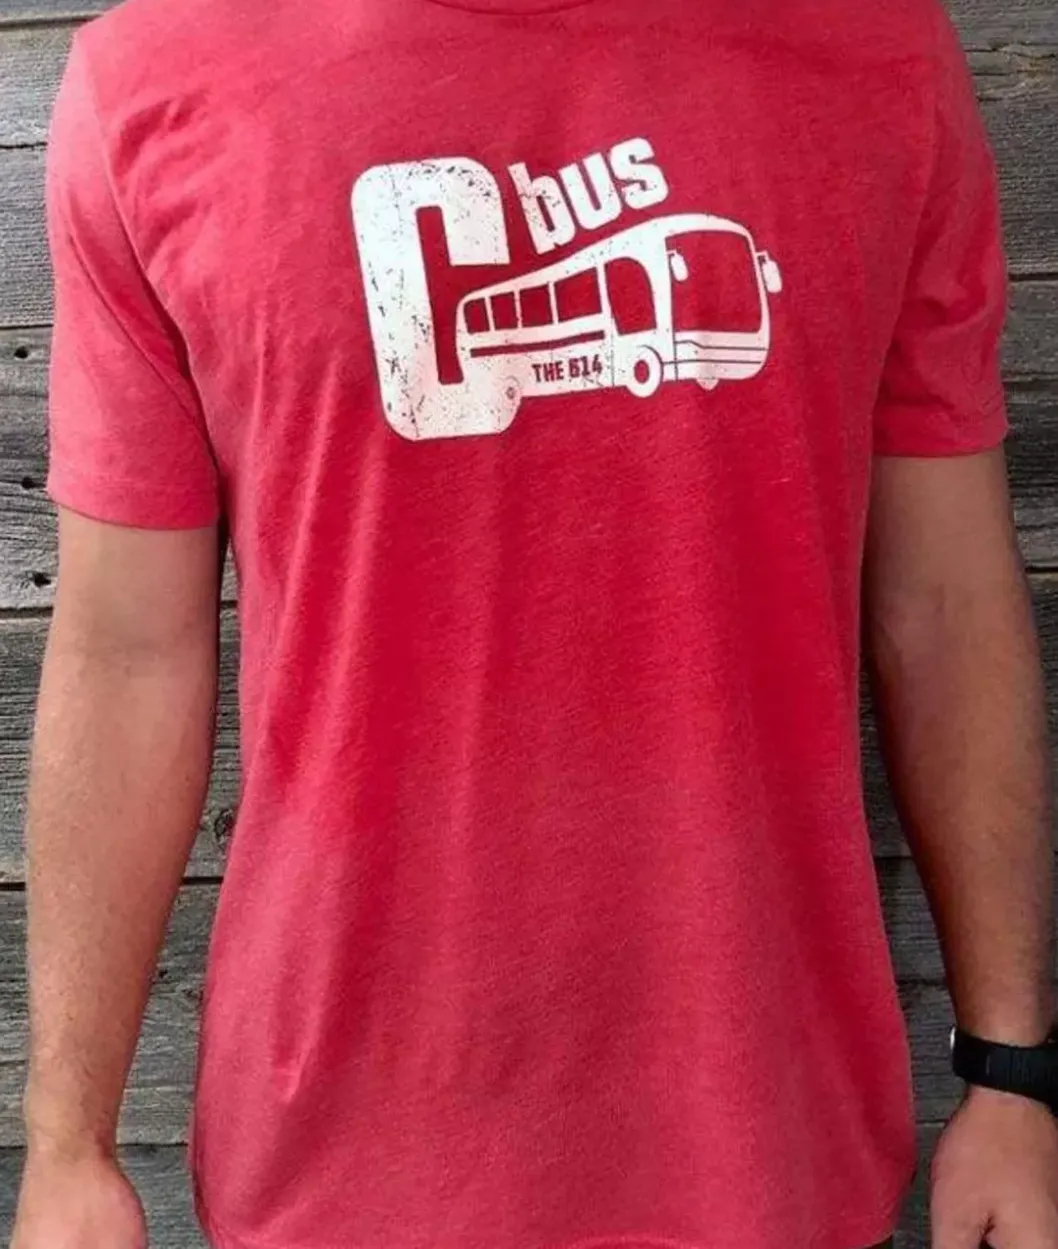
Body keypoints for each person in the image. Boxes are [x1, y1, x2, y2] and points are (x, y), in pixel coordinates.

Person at [10, 0, 1058, 1247]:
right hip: (338, 1173)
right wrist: (66, 1138)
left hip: (773, 1145)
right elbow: (128, 653)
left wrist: (1009, 1068)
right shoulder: (156, 82)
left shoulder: (878, 54)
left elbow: (941, 603)